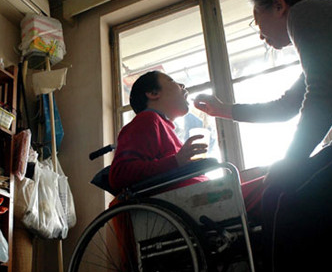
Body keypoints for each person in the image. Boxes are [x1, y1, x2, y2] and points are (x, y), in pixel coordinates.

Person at [194, 0, 332, 272]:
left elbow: (324, 95)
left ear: (280, 6)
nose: (260, 34)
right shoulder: (325, 27)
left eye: (258, 22)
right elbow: (288, 106)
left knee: (279, 196)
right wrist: (226, 111)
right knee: (306, 211)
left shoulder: (307, 14)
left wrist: (291, 161)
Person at [109, 70, 265, 216]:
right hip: (194, 204)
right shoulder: (147, 119)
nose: (183, 86)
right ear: (153, 93)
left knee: (272, 176)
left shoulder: (162, 126)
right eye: (173, 81)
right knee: (279, 180)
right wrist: (176, 161)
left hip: (199, 199)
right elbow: (119, 175)